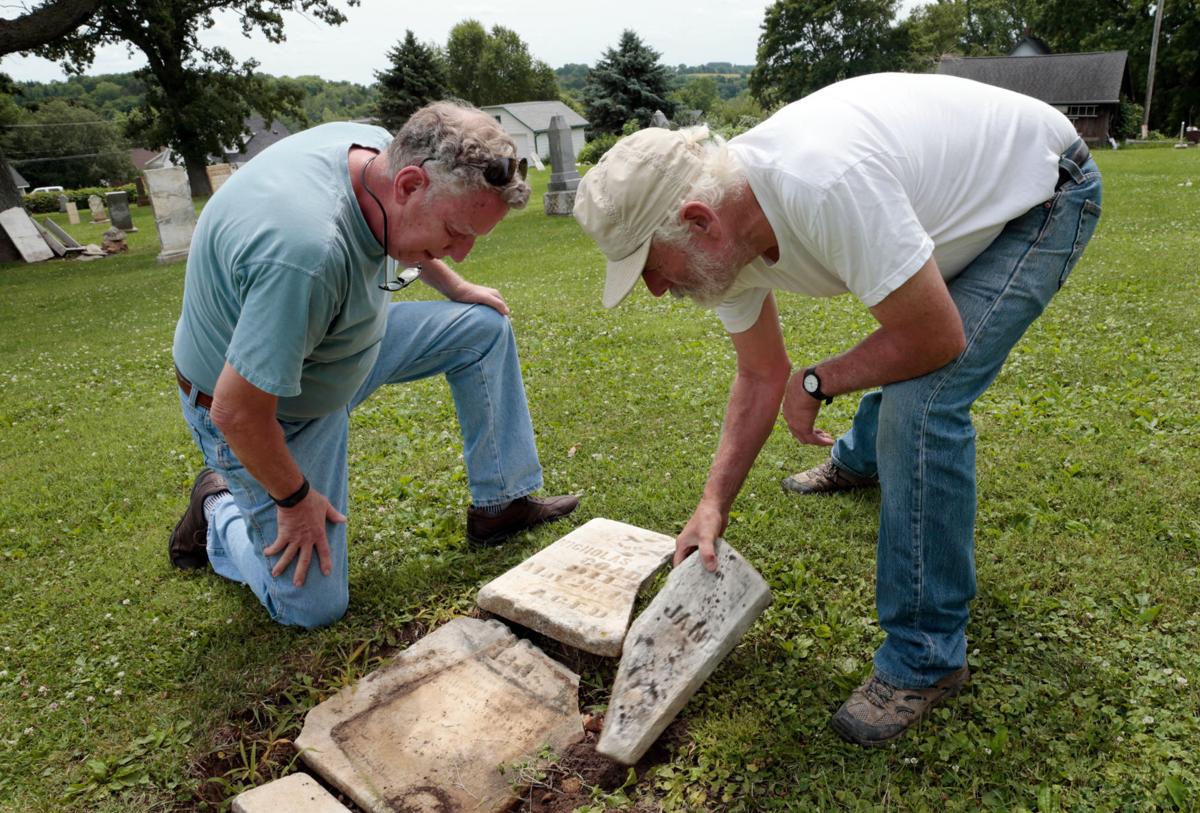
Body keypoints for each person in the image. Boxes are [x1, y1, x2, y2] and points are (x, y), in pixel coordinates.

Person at [573, 73, 1100, 746]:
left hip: (1042, 192)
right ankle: (857, 459)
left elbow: (935, 338)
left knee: (923, 399)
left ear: (698, 223)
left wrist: (821, 379)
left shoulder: (821, 184)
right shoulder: (726, 239)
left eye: (649, 264)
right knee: (904, 337)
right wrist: (713, 502)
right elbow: (761, 373)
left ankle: (926, 656)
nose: (653, 289)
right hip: (950, 215)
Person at [169, 101, 578, 629]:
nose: (461, 252)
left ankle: (501, 503)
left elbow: (411, 237)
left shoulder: (374, 151)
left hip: (340, 348)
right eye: (456, 233)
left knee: (482, 329)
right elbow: (238, 411)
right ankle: (215, 507)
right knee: (310, 606)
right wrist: (294, 500)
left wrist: (456, 288)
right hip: (273, 408)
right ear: (408, 186)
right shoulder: (305, 254)